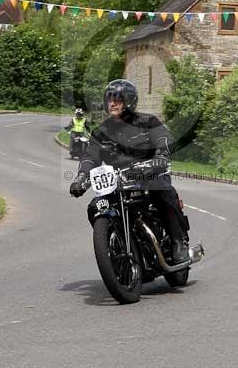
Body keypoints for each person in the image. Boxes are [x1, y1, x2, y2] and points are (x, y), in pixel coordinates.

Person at [68, 79, 189, 263]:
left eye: (117, 99)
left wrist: (161, 155)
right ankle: (115, 245)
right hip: (118, 182)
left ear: (129, 101)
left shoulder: (147, 122)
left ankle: (177, 241)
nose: (112, 103)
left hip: (149, 176)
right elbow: (90, 158)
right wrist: (82, 177)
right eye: (109, 99)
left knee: (163, 192)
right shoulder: (101, 132)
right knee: (95, 207)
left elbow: (164, 139)